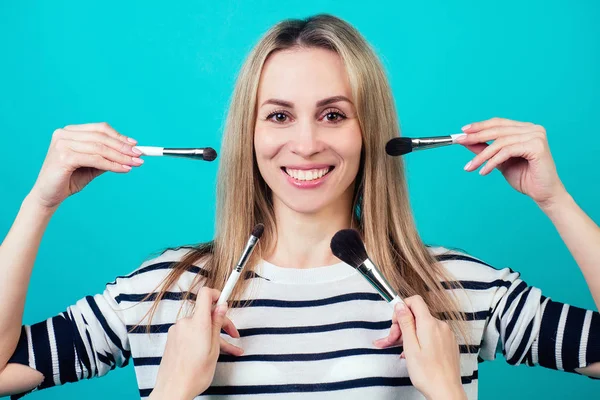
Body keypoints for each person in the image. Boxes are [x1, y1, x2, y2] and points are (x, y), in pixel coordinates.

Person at [0, 14, 599, 400]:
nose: (306, 142)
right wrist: (38, 203)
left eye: (334, 115)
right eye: (279, 115)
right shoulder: (161, 293)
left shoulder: (456, 291)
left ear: (371, 133)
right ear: (248, 134)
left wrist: (556, 200)